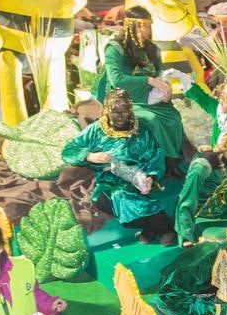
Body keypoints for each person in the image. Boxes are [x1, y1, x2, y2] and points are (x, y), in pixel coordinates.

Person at [62, 88, 176, 243]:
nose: (120, 116)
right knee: (103, 200)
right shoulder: (96, 129)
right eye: (115, 112)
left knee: (120, 194)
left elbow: (156, 156)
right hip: (106, 182)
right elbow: (68, 150)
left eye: (125, 111)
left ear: (130, 110)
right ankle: (156, 225)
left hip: (135, 181)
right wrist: (90, 156)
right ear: (107, 110)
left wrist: (151, 177)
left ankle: (165, 227)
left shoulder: (141, 130)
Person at [92, 5, 186, 170]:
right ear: (130, 26)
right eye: (141, 26)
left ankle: (171, 160)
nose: (146, 31)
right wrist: (148, 80)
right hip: (125, 100)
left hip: (151, 98)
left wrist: (165, 88)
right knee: (152, 120)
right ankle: (154, 165)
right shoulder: (115, 48)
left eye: (148, 26)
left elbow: (160, 73)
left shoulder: (152, 48)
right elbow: (117, 79)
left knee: (174, 117)